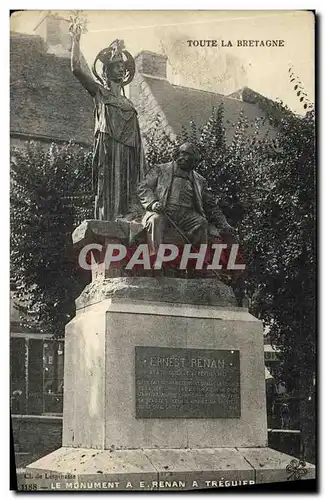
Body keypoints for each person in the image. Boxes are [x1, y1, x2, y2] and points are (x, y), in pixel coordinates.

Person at [70, 26, 144, 221]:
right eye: (117, 65)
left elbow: (137, 137)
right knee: (110, 185)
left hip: (129, 153)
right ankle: (108, 219)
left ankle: (126, 216)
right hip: (109, 148)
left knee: (127, 185)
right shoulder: (100, 93)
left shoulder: (129, 103)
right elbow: (76, 68)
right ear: (107, 70)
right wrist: (75, 40)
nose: (121, 68)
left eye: (123, 66)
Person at [137, 142, 234, 253]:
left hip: (186, 215)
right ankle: (155, 257)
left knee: (202, 223)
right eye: (182, 154)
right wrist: (153, 203)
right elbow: (143, 187)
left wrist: (224, 223)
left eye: (189, 157)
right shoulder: (160, 170)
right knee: (155, 220)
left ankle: (199, 262)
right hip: (164, 210)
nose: (184, 158)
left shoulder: (199, 180)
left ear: (194, 161)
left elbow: (211, 206)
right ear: (177, 155)